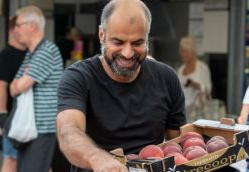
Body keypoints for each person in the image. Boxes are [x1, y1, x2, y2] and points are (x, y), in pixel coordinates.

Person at [56, 0, 186, 171]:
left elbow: (178, 144)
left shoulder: (167, 78)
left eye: (137, 43)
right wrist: (98, 159)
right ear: (102, 35)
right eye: (118, 42)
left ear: (147, 38)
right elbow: (68, 132)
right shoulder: (78, 78)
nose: (127, 53)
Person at [9, 5, 63, 172]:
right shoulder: (31, 54)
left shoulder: (47, 50)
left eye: (18, 25)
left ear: (31, 26)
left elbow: (21, 85)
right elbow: (12, 88)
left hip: (42, 129)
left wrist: (20, 82)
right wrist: (20, 82)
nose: (15, 30)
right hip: (28, 129)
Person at [0, 16, 26, 172]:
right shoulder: (5, 54)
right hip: (12, 118)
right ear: (15, 30)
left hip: (29, 116)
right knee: (11, 159)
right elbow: (1, 86)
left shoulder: (31, 53)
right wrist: (2, 114)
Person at [177, 36, 212, 121]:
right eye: (182, 51)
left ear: (193, 52)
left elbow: (208, 89)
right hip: (182, 113)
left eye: (186, 51)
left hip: (198, 115)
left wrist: (197, 85)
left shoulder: (202, 68)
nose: (183, 54)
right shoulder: (180, 70)